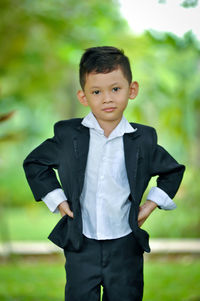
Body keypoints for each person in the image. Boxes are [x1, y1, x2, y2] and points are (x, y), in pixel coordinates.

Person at [23, 46, 185, 301]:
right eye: (97, 92)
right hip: (81, 243)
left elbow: (173, 171)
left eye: (115, 89)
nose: (107, 98)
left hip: (125, 245)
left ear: (132, 90)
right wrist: (58, 200)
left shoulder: (143, 139)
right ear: (83, 96)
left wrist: (150, 206)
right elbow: (35, 163)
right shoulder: (68, 136)